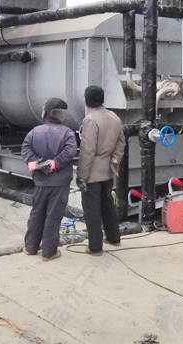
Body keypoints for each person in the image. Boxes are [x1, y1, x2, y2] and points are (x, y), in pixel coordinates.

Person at [21, 97, 78, 261]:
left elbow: (25, 150)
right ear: (62, 115)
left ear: (45, 112)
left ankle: (30, 248)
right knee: (53, 216)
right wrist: (54, 164)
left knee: (36, 214)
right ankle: (48, 252)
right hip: (60, 183)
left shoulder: (34, 132)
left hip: (40, 181)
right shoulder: (68, 133)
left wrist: (40, 164)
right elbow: (70, 152)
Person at [77, 85, 126, 256]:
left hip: (93, 171)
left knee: (91, 209)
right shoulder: (114, 117)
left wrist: (81, 175)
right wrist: (115, 159)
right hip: (108, 169)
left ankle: (95, 247)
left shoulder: (90, 120)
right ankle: (114, 238)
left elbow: (87, 150)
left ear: (86, 101)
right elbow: (121, 142)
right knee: (107, 204)